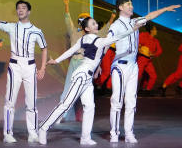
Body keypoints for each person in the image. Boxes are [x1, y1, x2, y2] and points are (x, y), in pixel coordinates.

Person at [36, 13, 136, 146]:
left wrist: (57, 60)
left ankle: (85, 137)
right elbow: (117, 37)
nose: (96, 25)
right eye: (93, 24)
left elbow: (70, 51)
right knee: (66, 104)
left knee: (89, 107)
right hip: (82, 76)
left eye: (95, 22)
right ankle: (43, 128)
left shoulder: (84, 39)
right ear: (87, 28)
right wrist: (132, 29)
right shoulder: (98, 40)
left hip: (87, 78)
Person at [103, 0, 182, 144]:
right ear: (120, 7)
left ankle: (129, 133)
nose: (131, 6)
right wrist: (97, 63)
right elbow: (107, 42)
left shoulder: (135, 22)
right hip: (120, 66)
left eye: (131, 4)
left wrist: (165, 9)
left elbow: (150, 16)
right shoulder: (116, 25)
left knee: (131, 102)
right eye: (128, 4)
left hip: (133, 66)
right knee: (117, 102)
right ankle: (114, 133)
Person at [0, 0, 48, 144]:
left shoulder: (37, 31)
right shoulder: (11, 27)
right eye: (18, 8)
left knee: (32, 103)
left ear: (29, 11)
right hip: (15, 66)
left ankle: (33, 133)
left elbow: (44, 49)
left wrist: (42, 68)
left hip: (30, 67)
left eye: (23, 8)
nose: (20, 10)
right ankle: (7, 134)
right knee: (10, 101)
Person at [136, 22, 162, 96]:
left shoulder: (156, 41)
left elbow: (159, 51)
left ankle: (147, 90)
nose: (156, 31)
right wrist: (139, 48)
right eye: (155, 29)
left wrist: (153, 54)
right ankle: (130, 89)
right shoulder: (143, 35)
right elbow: (137, 43)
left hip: (148, 61)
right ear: (151, 30)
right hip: (141, 58)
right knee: (138, 75)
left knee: (153, 76)